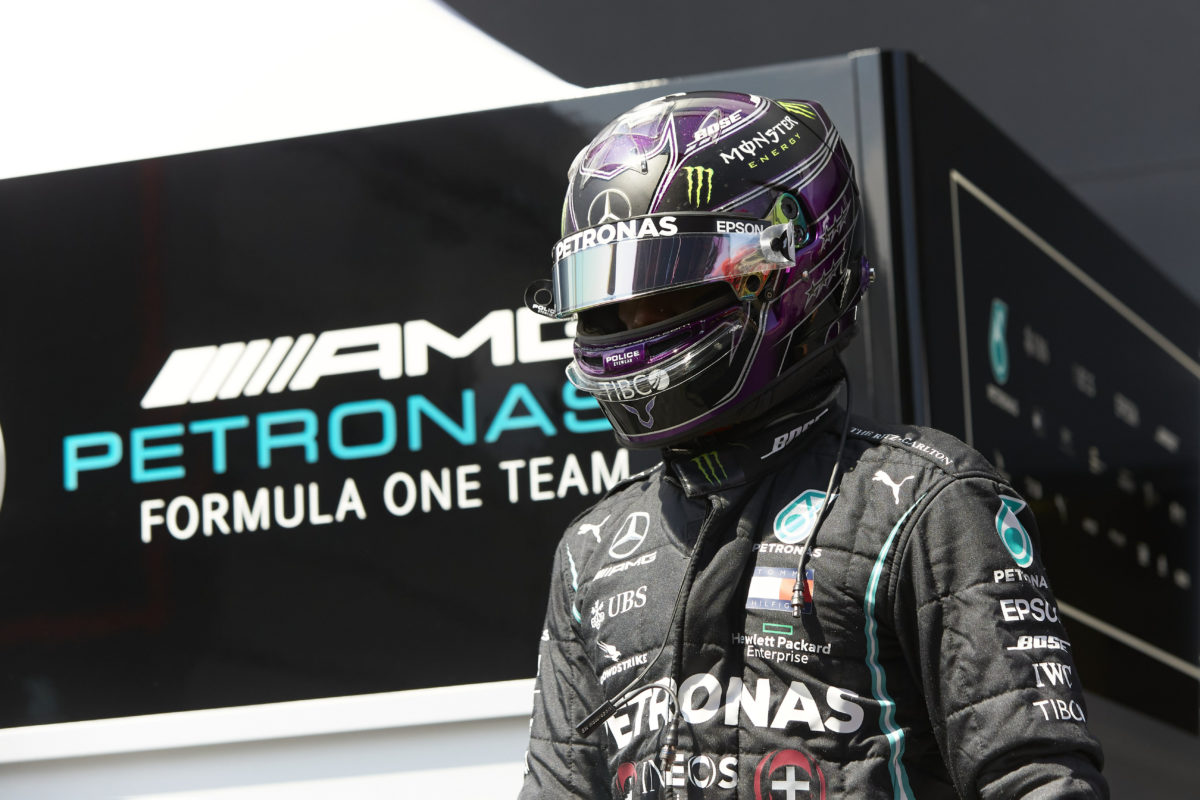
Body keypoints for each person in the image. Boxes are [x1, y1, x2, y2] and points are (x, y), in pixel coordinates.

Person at [519, 90, 1107, 799]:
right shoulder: (592, 551)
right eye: (607, 300)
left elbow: (1037, 779)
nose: (632, 320)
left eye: (665, 290)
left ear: (787, 266)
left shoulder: (922, 501)